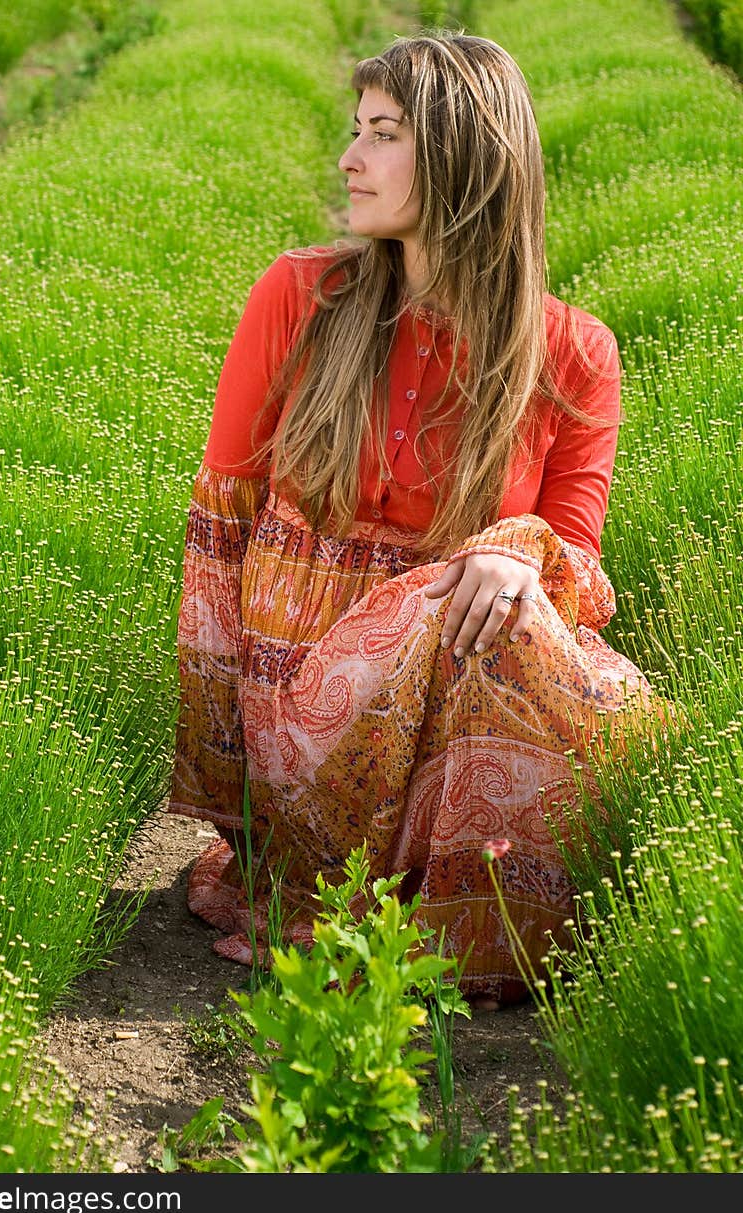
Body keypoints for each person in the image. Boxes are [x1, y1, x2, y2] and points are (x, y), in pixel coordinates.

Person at [167, 31, 662, 1007]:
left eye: (381, 134)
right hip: (304, 705)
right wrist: (238, 802)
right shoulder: (299, 297)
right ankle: (442, 909)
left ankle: (503, 905)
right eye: (354, 131)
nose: (348, 158)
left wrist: (513, 553)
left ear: (462, 155)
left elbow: (574, 570)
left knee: (537, 618)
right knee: (499, 598)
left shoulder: (574, 355)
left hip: (450, 701)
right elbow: (217, 551)